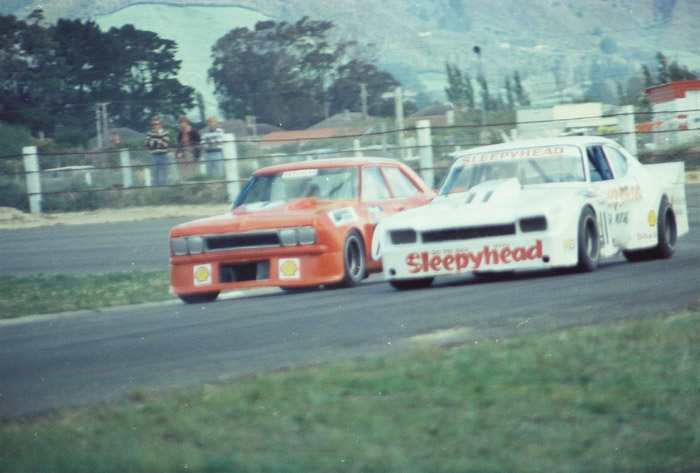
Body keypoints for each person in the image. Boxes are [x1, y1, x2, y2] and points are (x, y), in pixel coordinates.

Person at [145, 116, 170, 186]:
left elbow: (165, 144)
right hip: (154, 156)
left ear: (160, 124)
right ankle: (156, 189)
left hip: (163, 155)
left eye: (157, 124)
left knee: (164, 173)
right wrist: (159, 141)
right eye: (154, 124)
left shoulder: (165, 133)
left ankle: (165, 187)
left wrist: (154, 141)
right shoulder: (149, 133)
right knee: (155, 173)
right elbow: (147, 144)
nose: (155, 126)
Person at [176, 115, 201, 180]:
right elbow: (179, 144)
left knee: (194, 170)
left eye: (183, 122)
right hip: (183, 153)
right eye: (181, 122)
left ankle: (196, 181)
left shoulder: (193, 131)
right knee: (183, 171)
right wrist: (179, 152)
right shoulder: (180, 133)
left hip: (192, 153)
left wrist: (196, 151)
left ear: (187, 122)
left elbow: (198, 141)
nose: (182, 124)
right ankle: (183, 182)